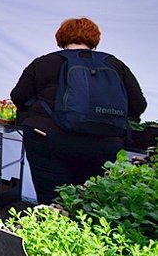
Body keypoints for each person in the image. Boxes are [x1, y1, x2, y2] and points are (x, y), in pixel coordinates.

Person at [11, 17, 147, 204]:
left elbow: (18, 96)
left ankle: (50, 230)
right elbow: (139, 106)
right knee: (89, 201)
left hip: (48, 138)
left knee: (52, 202)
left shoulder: (44, 63)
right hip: (103, 144)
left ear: (61, 38)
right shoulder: (115, 64)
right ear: (94, 39)